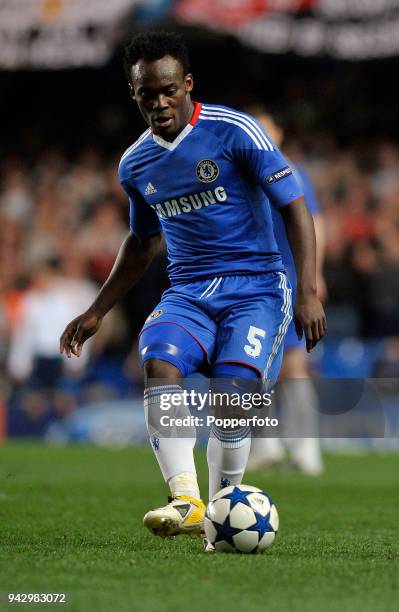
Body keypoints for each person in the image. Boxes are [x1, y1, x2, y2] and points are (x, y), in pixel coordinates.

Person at [60, 31, 326, 543]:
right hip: (189, 291)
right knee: (158, 360)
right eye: (146, 95)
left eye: (167, 91)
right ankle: (185, 498)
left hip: (257, 288)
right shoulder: (135, 163)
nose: (158, 103)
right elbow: (141, 242)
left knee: (232, 397)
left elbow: (294, 205)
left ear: (187, 84)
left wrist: (309, 289)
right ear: (133, 95)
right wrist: (97, 311)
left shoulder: (235, 130)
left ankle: (223, 507)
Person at [246, 108, 326, 475]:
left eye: (265, 128)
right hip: (254, 279)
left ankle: (306, 447)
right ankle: (266, 444)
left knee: (294, 364)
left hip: (289, 278)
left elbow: (314, 223)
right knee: (256, 363)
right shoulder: (242, 172)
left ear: (278, 132)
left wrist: (315, 277)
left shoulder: (290, 171)